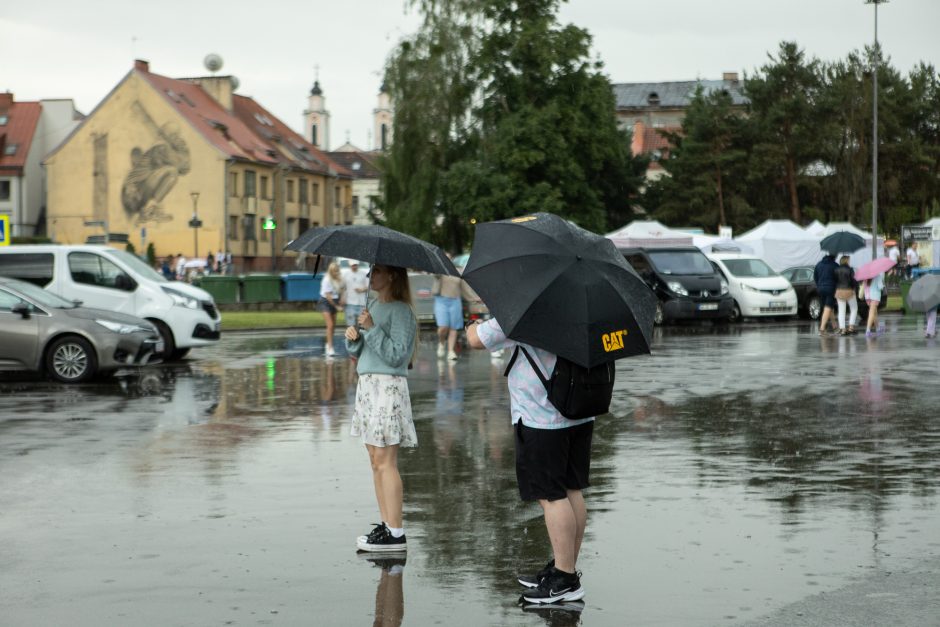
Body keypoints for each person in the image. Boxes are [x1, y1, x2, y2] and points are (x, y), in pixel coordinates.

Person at [467, 319, 589, 604]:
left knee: (551, 496)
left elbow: (477, 340)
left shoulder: (528, 307)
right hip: (579, 409)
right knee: (571, 489)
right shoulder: (578, 301)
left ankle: (565, 578)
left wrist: (472, 325)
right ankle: (565, 568)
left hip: (541, 414)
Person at [344, 265, 418, 552]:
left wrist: (372, 328)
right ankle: (387, 527)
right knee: (375, 460)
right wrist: (355, 339)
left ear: (392, 276)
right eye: (370, 272)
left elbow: (397, 355)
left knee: (386, 461)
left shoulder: (402, 312)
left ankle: (396, 532)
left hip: (388, 387)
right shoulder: (372, 305)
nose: (370, 277)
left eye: (376, 272)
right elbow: (364, 352)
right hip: (368, 385)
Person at [433, 272, 475, 361]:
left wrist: (474, 298)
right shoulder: (439, 271)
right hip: (441, 300)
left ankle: (451, 351)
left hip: (455, 301)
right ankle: (441, 342)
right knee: (443, 327)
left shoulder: (457, 272)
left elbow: (465, 289)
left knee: (453, 327)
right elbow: (436, 275)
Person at [318, 262, 345, 357]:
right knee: (330, 324)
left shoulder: (339, 278)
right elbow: (328, 296)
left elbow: (342, 289)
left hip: (335, 300)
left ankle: (328, 343)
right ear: (330, 271)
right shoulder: (326, 279)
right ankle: (330, 347)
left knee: (333, 326)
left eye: (337, 270)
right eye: (334, 271)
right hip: (325, 301)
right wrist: (337, 306)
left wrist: (341, 299)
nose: (336, 272)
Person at [813, 254, 838, 336]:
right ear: (834, 256)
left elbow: (815, 277)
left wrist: (819, 285)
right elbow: (838, 278)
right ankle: (822, 329)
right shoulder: (835, 265)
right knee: (828, 308)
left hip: (820, 289)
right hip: (830, 289)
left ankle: (835, 326)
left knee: (829, 307)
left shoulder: (818, 264)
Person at [834, 255, 858, 335]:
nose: (849, 261)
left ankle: (843, 329)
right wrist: (854, 288)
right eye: (849, 260)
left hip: (839, 290)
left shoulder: (836, 269)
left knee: (841, 310)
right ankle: (851, 327)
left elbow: (835, 281)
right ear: (846, 261)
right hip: (848, 290)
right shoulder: (850, 269)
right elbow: (854, 281)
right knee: (854, 308)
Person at [341, 260, 370, 326]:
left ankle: (360, 336)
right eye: (353, 265)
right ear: (350, 265)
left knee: (362, 325)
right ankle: (351, 336)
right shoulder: (345, 274)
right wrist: (342, 298)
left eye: (355, 265)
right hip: (349, 303)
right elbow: (343, 288)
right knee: (351, 325)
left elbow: (368, 286)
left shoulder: (363, 273)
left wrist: (362, 289)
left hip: (361, 303)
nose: (354, 266)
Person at [862, 271, 885, 337]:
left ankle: (878, 328)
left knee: (874, 313)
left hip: (868, 296)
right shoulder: (878, 276)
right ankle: (868, 330)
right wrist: (882, 283)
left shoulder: (865, 276)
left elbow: (864, 286)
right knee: (872, 313)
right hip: (875, 296)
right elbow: (880, 287)